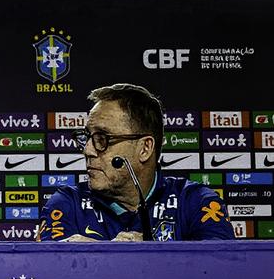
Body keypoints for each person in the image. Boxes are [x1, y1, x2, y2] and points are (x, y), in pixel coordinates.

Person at [37, 83, 234, 242]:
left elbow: (220, 275)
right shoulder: (67, 203)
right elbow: (52, 278)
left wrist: (144, 257)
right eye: (87, 137)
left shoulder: (197, 202)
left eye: (102, 138)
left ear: (145, 148)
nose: (87, 150)